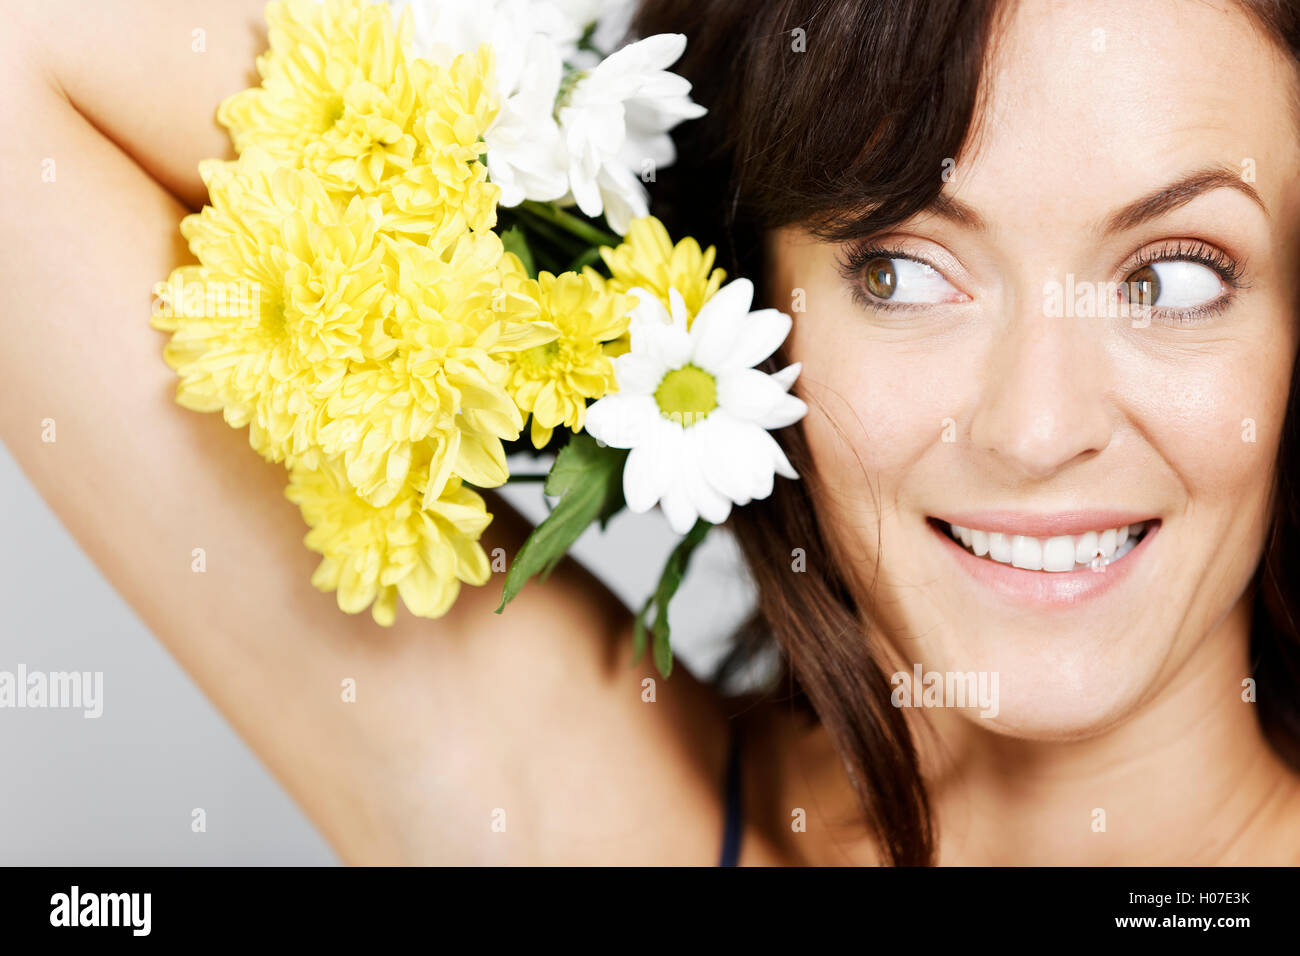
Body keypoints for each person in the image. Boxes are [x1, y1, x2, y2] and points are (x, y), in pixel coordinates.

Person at [3, 0, 1298, 865]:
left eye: (1176, 277)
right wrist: (622, 315)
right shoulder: (611, 816)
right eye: (898, 272)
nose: (1037, 425)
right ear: (757, 302)